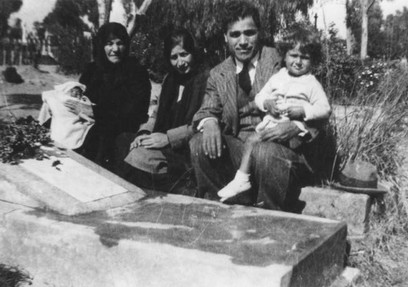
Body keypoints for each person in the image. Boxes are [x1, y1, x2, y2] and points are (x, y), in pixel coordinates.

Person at [190, 0, 333, 212]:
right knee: (199, 142)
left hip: (284, 149)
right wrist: (209, 122)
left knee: (265, 152)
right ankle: (220, 211)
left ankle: (269, 220)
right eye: (235, 35)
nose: (243, 41)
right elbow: (207, 109)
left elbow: (320, 108)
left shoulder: (285, 58)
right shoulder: (218, 73)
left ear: (260, 32)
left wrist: (298, 127)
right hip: (242, 149)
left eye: (249, 33)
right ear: (225, 38)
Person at [217, 27, 331, 202]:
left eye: (305, 57)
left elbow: (325, 109)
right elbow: (261, 96)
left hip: (295, 138)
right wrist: (267, 103)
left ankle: (246, 183)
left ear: (312, 60)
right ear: (284, 56)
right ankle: (242, 180)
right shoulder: (279, 77)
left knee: (262, 148)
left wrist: (304, 111)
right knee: (252, 141)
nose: (298, 62)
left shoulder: (311, 83)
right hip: (271, 126)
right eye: (293, 55)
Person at [122, 28, 209, 192]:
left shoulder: (206, 81)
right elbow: (155, 114)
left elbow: (201, 125)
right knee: (126, 143)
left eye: (184, 54)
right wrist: (144, 133)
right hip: (163, 141)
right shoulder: (170, 80)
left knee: (138, 159)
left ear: (194, 52)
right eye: (174, 57)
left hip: (187, 149)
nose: (180, 62)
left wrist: (168, 138)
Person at [70, 22, 151, 171]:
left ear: (126, 45)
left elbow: (135, 112)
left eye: (120, 44)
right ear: (101, 45)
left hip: (121, 129)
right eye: (109, 44)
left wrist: (97, 115)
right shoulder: (92, 70)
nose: (115, 49)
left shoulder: (136, 72)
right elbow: (81, 98)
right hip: (90, 125)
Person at [38, 81, 95, 149]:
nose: (76, 94)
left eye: (79, 92)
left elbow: (88, 105)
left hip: (78, 121)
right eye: (73, 91)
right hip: (63, 123)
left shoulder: (83, 99)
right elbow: (54, 100)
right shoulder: (60, 98)